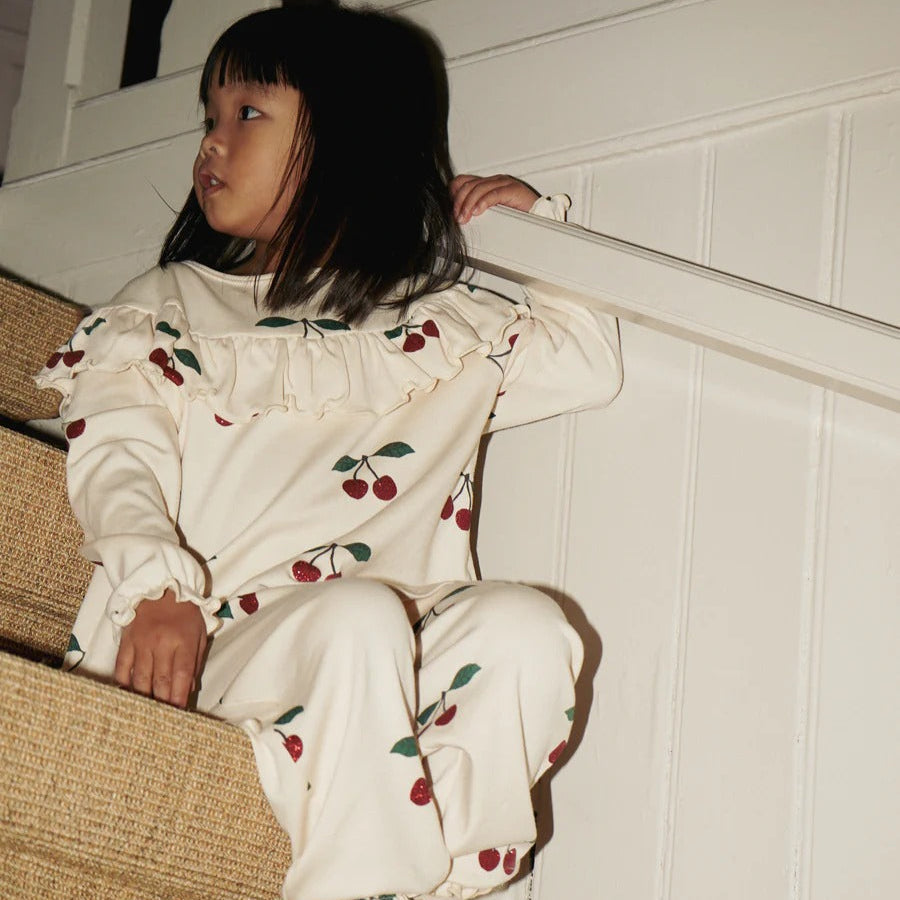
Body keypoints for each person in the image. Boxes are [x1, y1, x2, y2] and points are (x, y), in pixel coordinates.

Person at [36, 4, 623, 899]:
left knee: (527, 628)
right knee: (354, 620)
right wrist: (158, 592)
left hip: (394, 655)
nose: (212, 144)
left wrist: (530, 225)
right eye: (209, 118)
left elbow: (585, 363)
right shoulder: (170, 306)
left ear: (353, 143)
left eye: (248, 114)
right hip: (214, 638)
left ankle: (439, 882)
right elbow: (116, 456)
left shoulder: (442, 332)